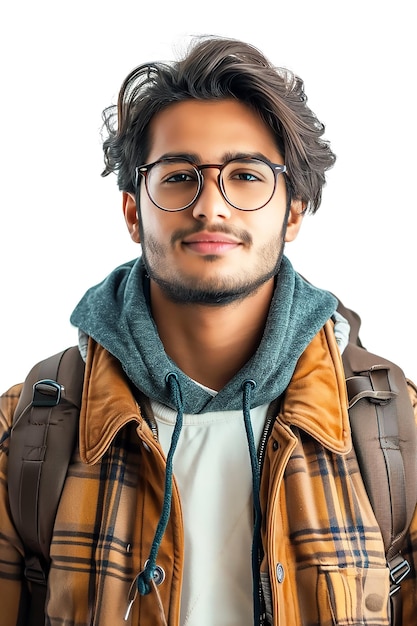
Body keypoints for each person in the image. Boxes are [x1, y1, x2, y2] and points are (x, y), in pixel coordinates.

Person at [0, 36, 416, 626]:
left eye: (246, 175)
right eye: (178, 175)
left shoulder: (393, 431)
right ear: (131, 210)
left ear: (293, 211)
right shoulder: (28, 431)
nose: (210, 206)